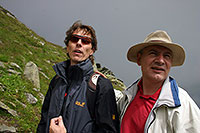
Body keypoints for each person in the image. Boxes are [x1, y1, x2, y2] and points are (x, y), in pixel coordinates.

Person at [37, 20, 119, 133]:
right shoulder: (57, 80)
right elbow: (43, 122)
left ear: (92, 50)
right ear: (67, 46)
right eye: (74, 39)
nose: (79, 43)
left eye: (86, 41)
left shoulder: (101, 85)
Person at [117, 30, 200, 133]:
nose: (160, 60)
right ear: (139, 59)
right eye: (153, 53)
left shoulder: (182, 104)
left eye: (167, 56)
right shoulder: (126, 99)